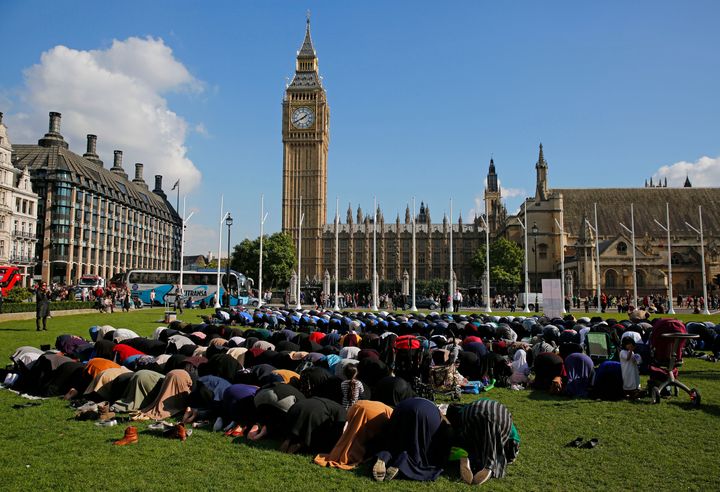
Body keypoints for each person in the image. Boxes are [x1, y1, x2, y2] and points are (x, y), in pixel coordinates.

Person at [446, 399, 520, 485]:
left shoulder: (465, 409)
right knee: (496, 444)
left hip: (473, 416)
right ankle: (490, 464)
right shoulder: (500, 411)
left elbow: (460, 431)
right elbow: (513, 438)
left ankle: (465, 455)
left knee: (466, 439)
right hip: (500, 420)